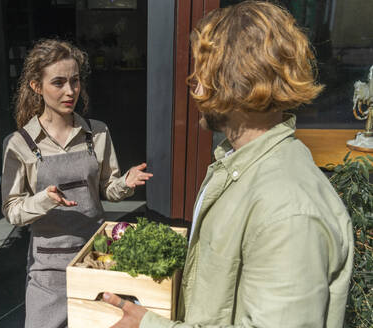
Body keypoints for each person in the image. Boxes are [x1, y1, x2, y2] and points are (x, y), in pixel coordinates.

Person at [103, 1, 354, 327]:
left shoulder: (288, 209)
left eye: (203, 69)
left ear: (235, 79)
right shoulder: (240, 166)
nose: (193, 82)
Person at [1, 39, 153, 328]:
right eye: (58, 83)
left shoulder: (96, 133)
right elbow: (12, 209)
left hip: (96, 258)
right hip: (48, 268)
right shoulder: (20, 144)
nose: (70, 91)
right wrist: (45, 199)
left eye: (74, 81)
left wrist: (126, 183)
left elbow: (107, 189)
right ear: (36, 86)